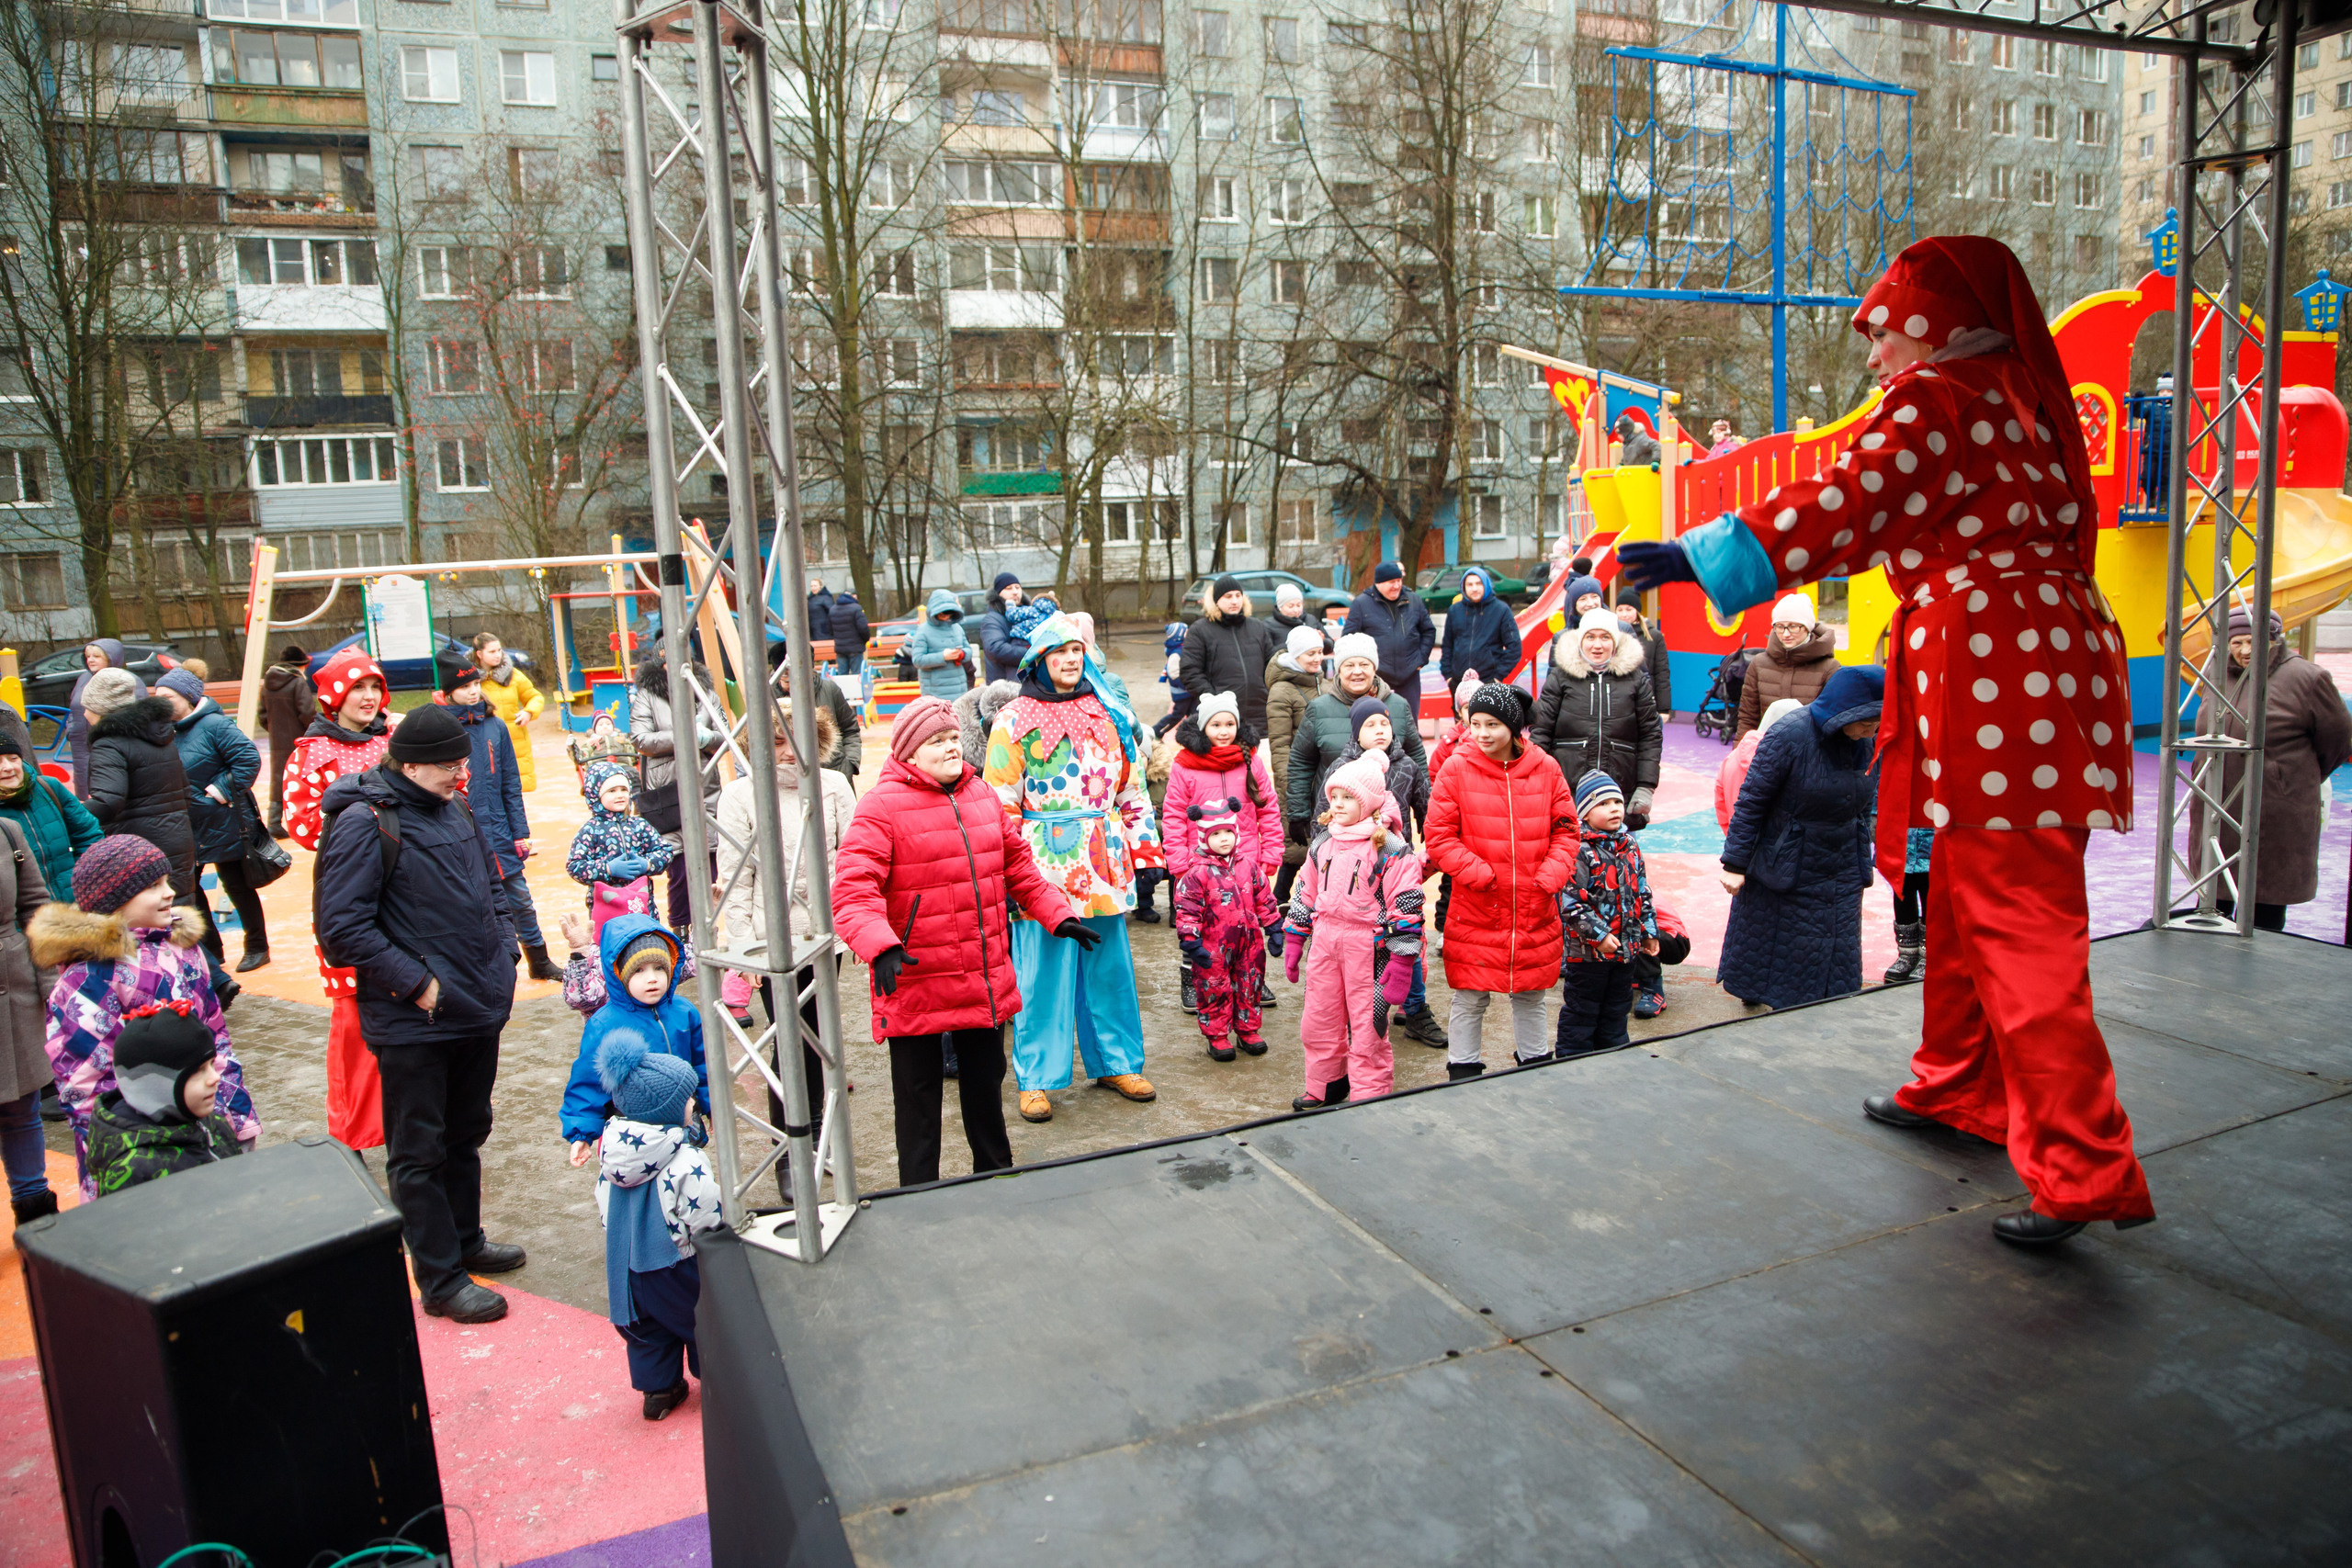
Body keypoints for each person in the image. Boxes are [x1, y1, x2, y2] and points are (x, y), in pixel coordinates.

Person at [1619, 233, 2154, 1246]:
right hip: (2046, 659)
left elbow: (1850, 500)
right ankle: (1959, 1084)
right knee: (1966, 884)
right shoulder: (2024, 398)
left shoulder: (1944, 400)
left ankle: (2082, 1167)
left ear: (1936, 323)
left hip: (1994, 664)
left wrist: (1707, 556)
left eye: (1883, 332)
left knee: (2015, 908)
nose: (1872, 360)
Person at [313, 705, 526, 1322]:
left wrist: (505, 951)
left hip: (474, 1007)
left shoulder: (453, 807)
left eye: (462, 761)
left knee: (467, 1132)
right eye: (449, 764)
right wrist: (419, 985)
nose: (461, 773)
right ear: (410, 764)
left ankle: (466, 1241)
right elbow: (341, 928)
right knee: (419, 1149)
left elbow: (490, 884)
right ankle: (440, 1278)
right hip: (415, 1020)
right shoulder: (364, 820)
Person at [834, 696, 1081, 1183]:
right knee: (919, 1099)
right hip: (914, 979)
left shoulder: (982, 795)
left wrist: (1057, 914)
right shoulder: (880, 807)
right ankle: (918, 1193)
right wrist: (879, 944)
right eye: (936, 741)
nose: (951, 748)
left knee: (985, 1088)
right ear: (908, 751)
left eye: (953, 739)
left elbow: (1019, 870)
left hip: (981, 976)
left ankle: (994, 1176)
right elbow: (852, 887)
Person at [983, 612, 1160, 1124]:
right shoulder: (1012, 720)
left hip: (1104, 861)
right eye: (1058, 653)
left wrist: (1145, 852)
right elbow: (1000, 802)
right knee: (1042, 976)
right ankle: (1037, 1078)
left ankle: (1117, 1063)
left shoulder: (1109, 712)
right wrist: (1012, 872)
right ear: (1039, 660)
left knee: (1110, 971)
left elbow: (1133, 787)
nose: (1069, 660)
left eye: (1076, 652)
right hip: (1040, 865)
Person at [29, 836, 258, 1201]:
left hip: (208, 1129)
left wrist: (238, 1119)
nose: (169, 893)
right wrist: (123, 1153)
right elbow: (87, 1084)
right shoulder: (90, 978)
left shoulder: (184, 950)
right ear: (113, 901)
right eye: (153, 886)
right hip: (140, 1154)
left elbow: (217, 1040)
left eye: (166, 881)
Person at [714, 699, 854, 1194]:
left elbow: (850, 858)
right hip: (772, 939)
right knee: (790, 1042)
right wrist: (745, 947)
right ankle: (792, 1150)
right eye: (775, 742)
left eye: (795, 741)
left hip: (825, 936)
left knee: (820, 1039)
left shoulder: (834, 786)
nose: (787, 752)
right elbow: (734, 876)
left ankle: (821, 1135)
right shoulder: (740, 795)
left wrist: (852, 923)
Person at [1423, 683, 1579, 1078]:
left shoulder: (1546, 768)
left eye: (1492, 724)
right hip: (1478, 903)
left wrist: (1550, 876)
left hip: (1533, 902)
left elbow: (1566, 830)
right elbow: (1439, 836)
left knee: (1531, 993)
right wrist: (1480, 874)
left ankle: (1535, 1062)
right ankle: (1463, 1068)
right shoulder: (1456, 769)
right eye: (1474, 723)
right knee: (1470, 995)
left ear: (1514, 727)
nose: (1482, 733)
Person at [280, 644, 395, 1152]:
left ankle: (411, 1110)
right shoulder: (311, 752)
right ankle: (357, 1129)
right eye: (358, 688)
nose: (368, 697)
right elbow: (301, 825)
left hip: (409, 889)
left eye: (375, 687)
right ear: (334, 695)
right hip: (349, 890)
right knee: (354, 1019)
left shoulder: (397, 738)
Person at [1716, 667, 1883, 1011]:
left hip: (1842, 864)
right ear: (1843, 712)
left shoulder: (1864, 741)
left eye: (1877, 722)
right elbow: (1752, 801)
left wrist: (1869, 845)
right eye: (1866, 722)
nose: (1872, 730)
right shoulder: (1790, 734)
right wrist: (1735, 863)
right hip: (1790, 860)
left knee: (1837, 950)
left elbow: (1868, 800)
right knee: (1786, 952)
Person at [2188, 604, 2352, 930]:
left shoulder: (2307, 678)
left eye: (2254, 641)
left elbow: (2339, 740)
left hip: (2275, 812)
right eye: (2237, 643)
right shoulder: (2215, 674)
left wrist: (2286, 778)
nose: (2245, 651)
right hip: (2217, 808)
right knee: (2212, 901)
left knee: (2263, 906)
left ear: (2275, 640)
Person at [593, 1027, 724, 1421]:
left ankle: (659, 1391)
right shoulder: (685, 1158)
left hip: (628, 1266)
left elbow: (604, 1208)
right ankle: (719, 1377)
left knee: (647, 1333)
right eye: (686, 1098)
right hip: (675, 1264)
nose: (692, 1102)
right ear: (664, 1109)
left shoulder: (612, 1153)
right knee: (706, 1319)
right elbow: (704, 1212)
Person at [1282, 753, 1421, 1110]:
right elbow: (1305, 891)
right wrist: (1296, 935)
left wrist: (1403, 960)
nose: (1339, 805)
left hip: (1370, 950)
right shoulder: (1322, 843)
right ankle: (1325, 1084)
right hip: (1325, 943)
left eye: (1349, 797)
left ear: (1369, 802)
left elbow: (1406, 905)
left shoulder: (1390, 848)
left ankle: (1369, 1096)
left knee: (1368, 1028)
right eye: (1335, 797)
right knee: (1319, 1019)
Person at [1160, 693, 1281, 1015]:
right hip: (1199, 864)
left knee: (1246, 922)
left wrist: (1271, 850)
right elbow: (1173, 815)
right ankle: (1191, 977)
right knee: (1198, 923)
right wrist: (1178, 860)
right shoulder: (1185, 765)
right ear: (1204, 727)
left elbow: (1267, 809)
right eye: (1216, 724)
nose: (1224, 730)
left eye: (1230, 723)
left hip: (1244, 859)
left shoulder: (1250, 760)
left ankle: (1249, 978)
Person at [444, 663, 559, 981]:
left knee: (520, 899)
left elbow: (511, 784)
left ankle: (539, 959)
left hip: (499, 833)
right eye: (464, 686)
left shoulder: (496, 727)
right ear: (448, 691)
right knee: (470, 906)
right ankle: (483, 971)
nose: (472, 691)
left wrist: (520, 833)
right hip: (460, 834)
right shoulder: (442, 728)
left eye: (475, 684)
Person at [559, 918, 709, 1160]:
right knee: (640, 1180)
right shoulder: (604, 1023)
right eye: (639, 970)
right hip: (633, 1127)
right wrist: (582, 1134)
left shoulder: (684, 1011)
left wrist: (711, 1107)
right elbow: (588, 1081)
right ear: (618, 974)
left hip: (683, 1115)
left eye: (659, 968)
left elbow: (703, 1064)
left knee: (687, 1173)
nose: (652, 978)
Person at [155, 668, 269, 976]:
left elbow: (248, 758)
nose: (161, 702)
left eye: (168, 696)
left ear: (188, 698)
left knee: (237, 884)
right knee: (188, 888)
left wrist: (218, 790)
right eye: (158, 696)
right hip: (187, 823)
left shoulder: (215, 724)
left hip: (224, 819)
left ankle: (258, 946)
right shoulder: (166, 732)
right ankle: (212, 949)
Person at [83, 1002, 244, 1198]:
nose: (215, 1077)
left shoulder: (214, 1123)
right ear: (155, 1086)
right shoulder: (133, 1169)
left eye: (211, 1065)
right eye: (198, 1071)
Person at [1282, 633, 1430, 840]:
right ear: (1338, 670)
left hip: (1390, 828)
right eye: (1349, 665)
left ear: (1374, 668)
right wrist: (1298, 813)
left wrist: (1426, 811)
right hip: (1339, 828)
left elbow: (1416, 758)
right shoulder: (1319, 709)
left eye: (1364, 664)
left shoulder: (1398, 705)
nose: (1357, 672)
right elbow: (1301, 762)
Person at [1555, 771, 1658, 1059]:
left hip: (1626, 951)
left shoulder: (1631, 847)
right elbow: (1570, 903)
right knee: (1582, 1011)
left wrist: (1649, 932)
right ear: (1585, 814)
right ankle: (1571, 1060)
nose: (1614, 808)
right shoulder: (1579, 851)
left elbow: (1643, 893)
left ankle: (1613, 1058)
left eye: (1617, 801)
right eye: (1603, 804)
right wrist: (1598, 936)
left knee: (1617, 1009)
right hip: (1588, 956)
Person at [81, 672, 199, 916]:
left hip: (138, 845)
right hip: (178, 836)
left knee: (150, 923)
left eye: (88, 707)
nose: (84, 714)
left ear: (102, 709)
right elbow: (185, 791)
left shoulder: (109, 743)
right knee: (179, 915)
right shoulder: (160, 736)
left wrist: (68, 813)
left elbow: (108, 800)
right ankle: (210, 956)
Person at [1531, 609, 1662, 827]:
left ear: (1615, 641)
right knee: (1570, 854)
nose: (1597, 645)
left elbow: (1650, 734)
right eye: (1590, 637)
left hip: (1619, 790)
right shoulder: (1562, 677)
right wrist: (1535, 779)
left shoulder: (1635, 679)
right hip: (1568, 788)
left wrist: (1646, 786)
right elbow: (1541, 731)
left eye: (1605, 637)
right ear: (1581, 640)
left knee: (1619, 856)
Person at [1173, 795, 1279, 1062]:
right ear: (1203, 837)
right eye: (1216, 833)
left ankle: (1248, 1029)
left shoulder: (1248, 866)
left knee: (1250, 984)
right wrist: (1190, 941)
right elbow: (1187, 909)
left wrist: (1274, 925)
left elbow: (1264, 897)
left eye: (1228, 833)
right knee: (1215, 988)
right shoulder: (1197, 873)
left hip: (1249, 942)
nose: (1224, 839)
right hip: (1213, 946)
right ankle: (1217, 1035)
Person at [629, 648, 722, 933]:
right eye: (670, 662)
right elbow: (641, 739)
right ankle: (681, 929)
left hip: (705, 784)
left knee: (711, 864)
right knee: (680, 868)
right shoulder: (648, 695)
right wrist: (684, 735)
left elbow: (725, 734)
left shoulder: (706, 692)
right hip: (668, 788)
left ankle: (707, 930)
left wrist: (707, 738)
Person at [0, 807, 56, 1226]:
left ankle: (35, 1213)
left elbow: (35, 907)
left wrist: (49, 985)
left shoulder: (7, 831)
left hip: (11, 989)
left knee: (22, 1109)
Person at [570, 762, 677, 936]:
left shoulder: (639, 825)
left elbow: (665, 851)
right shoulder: (590, 831)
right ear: (595, 796)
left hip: (641, 904)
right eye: (611, 791)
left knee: (646, 945)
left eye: (623, 790)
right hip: (607, 907)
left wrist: (647, 864)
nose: (619, 795)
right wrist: (608, 869)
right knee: (613, 950)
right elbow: (575, 866)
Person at [1262, 626, 1325, 913]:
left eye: (1320, 652)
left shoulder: (1321, 682)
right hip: (1298, 777)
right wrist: (1289, 784)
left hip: (1323, 774)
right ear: (1297, 655)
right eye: (1311, 654)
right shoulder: (1282, 690)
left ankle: (1307, 900)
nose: (1317, 659)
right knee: (1296, 843)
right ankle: (1277, 901)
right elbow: (1279, 744)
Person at [0, 730, 101, 905]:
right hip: (24, 922)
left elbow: (89, 835)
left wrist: (81, 883)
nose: (8, 767)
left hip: (76, 905)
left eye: (13, 758)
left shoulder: (48, 788)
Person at [1180, 577, 1283, 734]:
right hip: (1222, 720)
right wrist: (1215, 701)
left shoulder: (1257, 627)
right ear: (1216, 601)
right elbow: (1190, 672)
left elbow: (1272, 666)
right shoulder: (1200, 630)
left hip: (1260, 715)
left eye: (1238, 595)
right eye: (1228, 597)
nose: (1234, 601)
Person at [1734, 594, 1838, 739]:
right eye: (1780, 626)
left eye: (1793, 626)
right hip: (1767, 752)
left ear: (1808, 627)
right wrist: (1741, 755)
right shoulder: (1759, 664)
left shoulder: (1829, 668)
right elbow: (1748, 718)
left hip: (1808, 753)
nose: (1786, 634)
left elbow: (1832, 722)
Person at [1340, 561, 1436, 706]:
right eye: (1392, 582)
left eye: (1399, 581)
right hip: (1377, 676)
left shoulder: (1413, 599)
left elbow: (1429, 631)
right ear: (1379, 583)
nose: (1397, 586)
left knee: (1409, 722)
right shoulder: (1361, 604)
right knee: (1376, 719)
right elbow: (1348, 638)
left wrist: (1421, 659)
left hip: (1409, 674)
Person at [768, 640, 862, 787]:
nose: (794, 683)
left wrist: (849, 764)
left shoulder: (829, 690)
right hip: (783, 782)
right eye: (787, 678)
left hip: (834, 775)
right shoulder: (765, 697)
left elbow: (850, 730)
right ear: (778, 674)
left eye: (799, 677)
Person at [65, 640, 141, 800]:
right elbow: (73, 706)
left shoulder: (126, 679)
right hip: (81, 744)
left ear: (111, 657)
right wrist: (71, 728)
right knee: (83, 787)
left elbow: (137, 712)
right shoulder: (83, 679)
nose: (90, 660)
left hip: (108, 741)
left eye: (96, 656)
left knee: (107, 787)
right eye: (88, 656)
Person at [469, 633, 546, 793]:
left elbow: (535, 696)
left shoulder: (513, 675)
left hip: (514, 740)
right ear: (479, 654)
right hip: (483, 739)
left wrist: (528, 712)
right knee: (489, 790)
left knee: (517, 791)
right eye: (492, 652)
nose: (498, 655)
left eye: (499, 650)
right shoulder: (469, 680)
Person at [1714, 697, 1804, 830]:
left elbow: (1721, 804)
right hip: (1777, 844)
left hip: (1738, 840)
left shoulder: (1732, 758)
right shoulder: (1792, 764)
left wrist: (1733, 836)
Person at [260, 644, 316, 838]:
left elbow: (262, 715)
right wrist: (312, 731)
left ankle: (274, 821)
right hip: (299, 739)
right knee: (303, 778)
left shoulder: (267, 683)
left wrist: (276, 730)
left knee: (279, 778)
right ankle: (302, 821)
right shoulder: (297, 682)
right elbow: (307, 712)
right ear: (300, 665)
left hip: (277, 739)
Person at [1439, 565, 1521, 694]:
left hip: (1488, 681)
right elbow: (1447, 645)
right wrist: (1448, 676)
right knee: (1462, 714)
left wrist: (1497, 677)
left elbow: (1514, 647)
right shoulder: (1455, 611)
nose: (1474, 588)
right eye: (1470, 585)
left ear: (1486, 585)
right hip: (1459, 683)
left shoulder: (1501, 610)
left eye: (1479, 583)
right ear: (1463, 587)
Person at [1613, 586, 1674, 721]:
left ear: (1637, 611)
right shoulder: (1611, 635)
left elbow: (1662, 673)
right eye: (1620, 609)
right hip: (1618, 701)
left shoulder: (1654, 636)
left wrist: (1663, 708)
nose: (1624, 614)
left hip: (1645, 699)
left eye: (1629, 609)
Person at [907, 588, 974, 699]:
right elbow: (918, 660)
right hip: (935, 690)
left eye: (949, 612)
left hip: (959, 687)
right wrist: (942, 656)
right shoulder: (923, 631)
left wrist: (961, 654)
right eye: (942, 612)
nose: (946, 616)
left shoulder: (957, 628)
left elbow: (968, 650)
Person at [977, 572, 1030, 684]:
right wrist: (1032, 653)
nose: (1015, 591)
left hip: (1027, 683)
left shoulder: (1028, 615)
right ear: (998, 594)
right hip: (1002, 687)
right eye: (1008, 588)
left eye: (1017, 587)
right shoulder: (992, 619)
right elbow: (995, 649)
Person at [1267, 581, 1331, 653]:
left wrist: (1322, 641)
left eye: (1298, 605)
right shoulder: (1269, 625)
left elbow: (1331, 646)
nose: (1296, 610)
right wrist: (1296, 643)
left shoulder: (1310, 619)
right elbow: (1269, 654)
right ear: (1280, 607)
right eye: (1291, 606)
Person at [828, 588, 870, 675]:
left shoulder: (833, 609)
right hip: (855, 648)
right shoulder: (856, 608)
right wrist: (865, 640)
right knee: (856, 674)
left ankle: (842, 689)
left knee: (842, 674)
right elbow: (863, 628)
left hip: (840, 648)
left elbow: (830, 629)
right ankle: (855, 689)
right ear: (853, 596)